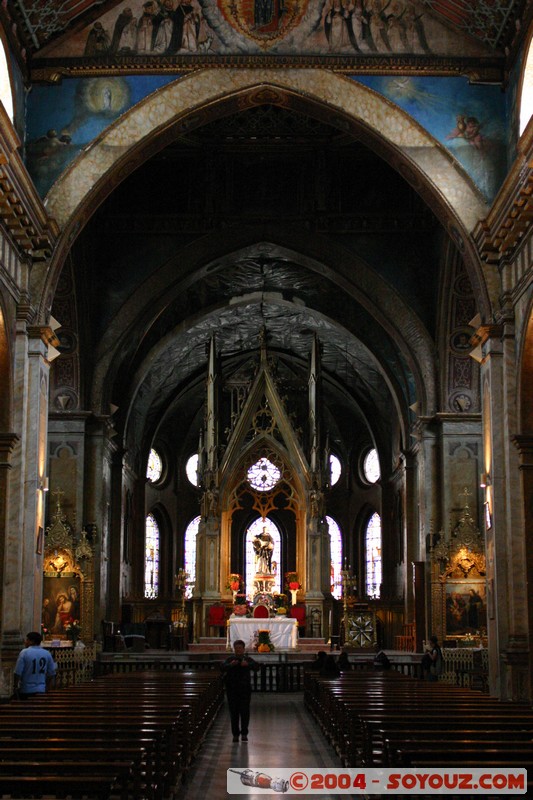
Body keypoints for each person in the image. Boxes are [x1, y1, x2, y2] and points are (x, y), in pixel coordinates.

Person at [221, 640, 259, 742]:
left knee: (245, 712)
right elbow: (222, 667)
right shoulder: (230, 659)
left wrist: (248, 665)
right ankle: (235, 734)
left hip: (244, 690)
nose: (238, 650)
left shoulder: (247, 659)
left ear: (243, 649)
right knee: (234, 713)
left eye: (240, 648)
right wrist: (231, 665)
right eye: (236, 648)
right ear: (234, 649)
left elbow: (257, 667)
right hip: (232, 690)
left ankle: (244, 733)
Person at [13, 631, 57, 699]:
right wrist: (46, 685)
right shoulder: (47, 653)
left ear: (32, 641)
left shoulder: (24, 652)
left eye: (27, 640)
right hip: (41, 689)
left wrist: (15, 686)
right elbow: (51, 673)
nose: (25, 642)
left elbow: (17, 672)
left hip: (26, 689)